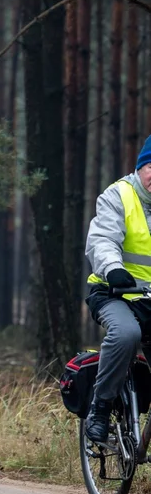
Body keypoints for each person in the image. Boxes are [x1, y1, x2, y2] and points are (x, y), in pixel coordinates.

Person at [83, 134, 151, 443]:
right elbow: (102, 240)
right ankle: (100, 406)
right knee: (126, 334)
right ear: (141, 167)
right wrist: (113, 268)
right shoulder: (118, 195)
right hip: (114, 294)